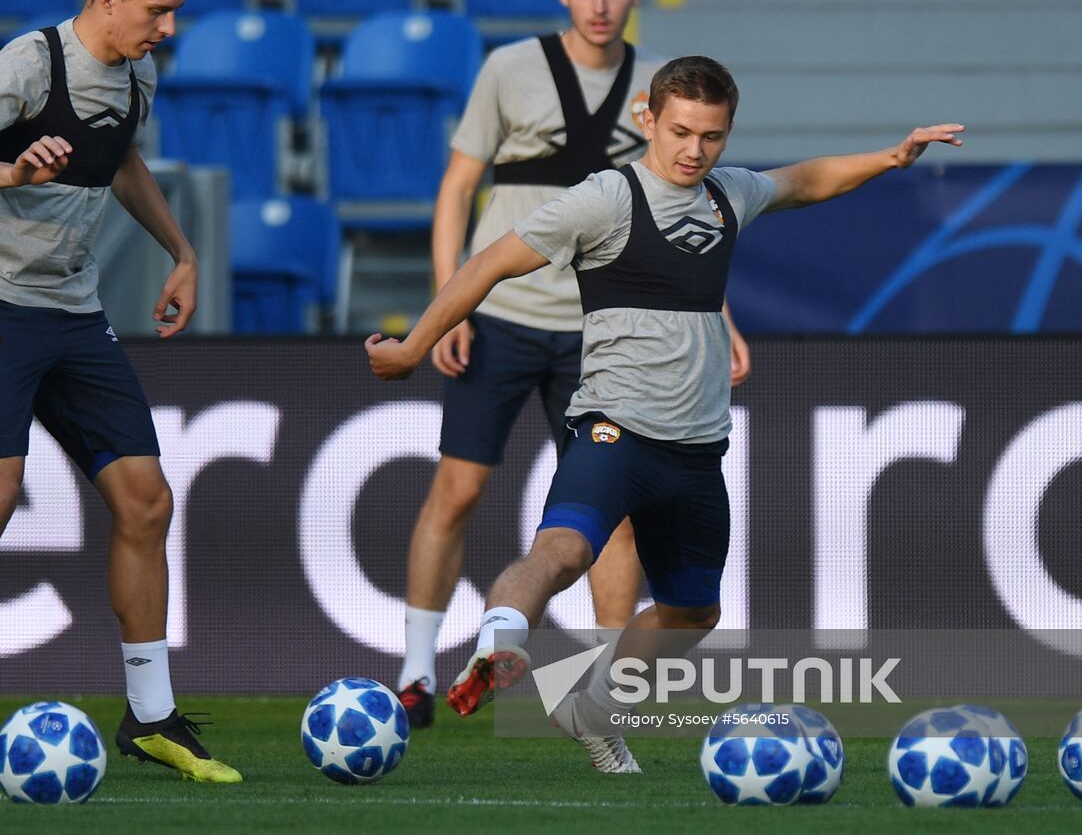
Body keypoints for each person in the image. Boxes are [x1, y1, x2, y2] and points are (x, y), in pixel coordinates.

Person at [368, 55, 964, 772]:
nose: (694, 150)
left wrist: (891, 158)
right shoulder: (606, 198)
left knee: (693, 613)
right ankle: (499, 641)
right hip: (614, 431)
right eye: (680, 131)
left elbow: (804, 181)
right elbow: (488, 263)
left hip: (697, 450)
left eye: (712, 136)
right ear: (648, 119)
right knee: (562, 551)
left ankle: (588, 709)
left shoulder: (727, 194)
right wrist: (412, 348)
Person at [0, 0, 240, 784]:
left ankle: (152, 716)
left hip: (71, 309)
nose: (169, 27)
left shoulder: (137, 76)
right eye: (158, 10)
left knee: (147, 501)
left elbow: (120, 161)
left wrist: (181, 251)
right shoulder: (33, 62)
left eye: (175, 12)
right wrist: (11, 171)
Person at [394, 0, 751, 731]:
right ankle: (416, 673)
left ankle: (600, 688)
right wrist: (450, 302)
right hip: (505, 315)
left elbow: (685, 223)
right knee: (459, 487)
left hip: (602, 334)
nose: (600, 4)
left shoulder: (661, 88)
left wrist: (720, 316)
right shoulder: (509, 68)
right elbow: (458, 186)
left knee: (612, 519)